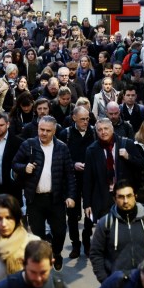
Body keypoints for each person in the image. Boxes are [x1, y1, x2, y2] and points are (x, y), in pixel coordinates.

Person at [12, 116, 76, 271]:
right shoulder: (29, 145)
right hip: (35, 199)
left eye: (48, 131)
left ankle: (57, 252)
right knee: (37, 235)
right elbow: (15, 163)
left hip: (56, 199)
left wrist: (71, 196)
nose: (44, 133)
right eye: (42, 130)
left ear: (54, 131)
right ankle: (43, 262)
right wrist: (23, 168)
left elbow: (70, 175)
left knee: (60, 232)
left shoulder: (62, 147)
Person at [89, 179, 144, 283]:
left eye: (129, 196)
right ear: (114, 199)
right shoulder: (105, 223)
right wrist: (105, 280)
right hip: (117, 283)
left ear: (135, 196)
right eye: (121, 197)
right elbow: (96, 253)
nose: (125, 201)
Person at [83, 118, 144, 223]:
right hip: (103, 198)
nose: (103, 132)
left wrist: (128, 157)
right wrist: (87, 204)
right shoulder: (91, 150)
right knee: (107, 232)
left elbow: (142, 166)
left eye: (106, 128)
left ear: (112, 129)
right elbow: (87, 180)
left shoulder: (127, 144)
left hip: (124, 195)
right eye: (99, 130)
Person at [57, 107, 96, 259]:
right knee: (72, 214)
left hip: (89, 179)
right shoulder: (65, 134)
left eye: (87, 119)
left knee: (89, 212)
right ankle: (75, 244)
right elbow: (59, 157)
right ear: (74, 118)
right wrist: (73, 164)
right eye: (82, 119)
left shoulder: (93, 133)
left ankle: (87, 242)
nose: (85, 122)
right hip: (71, 180)